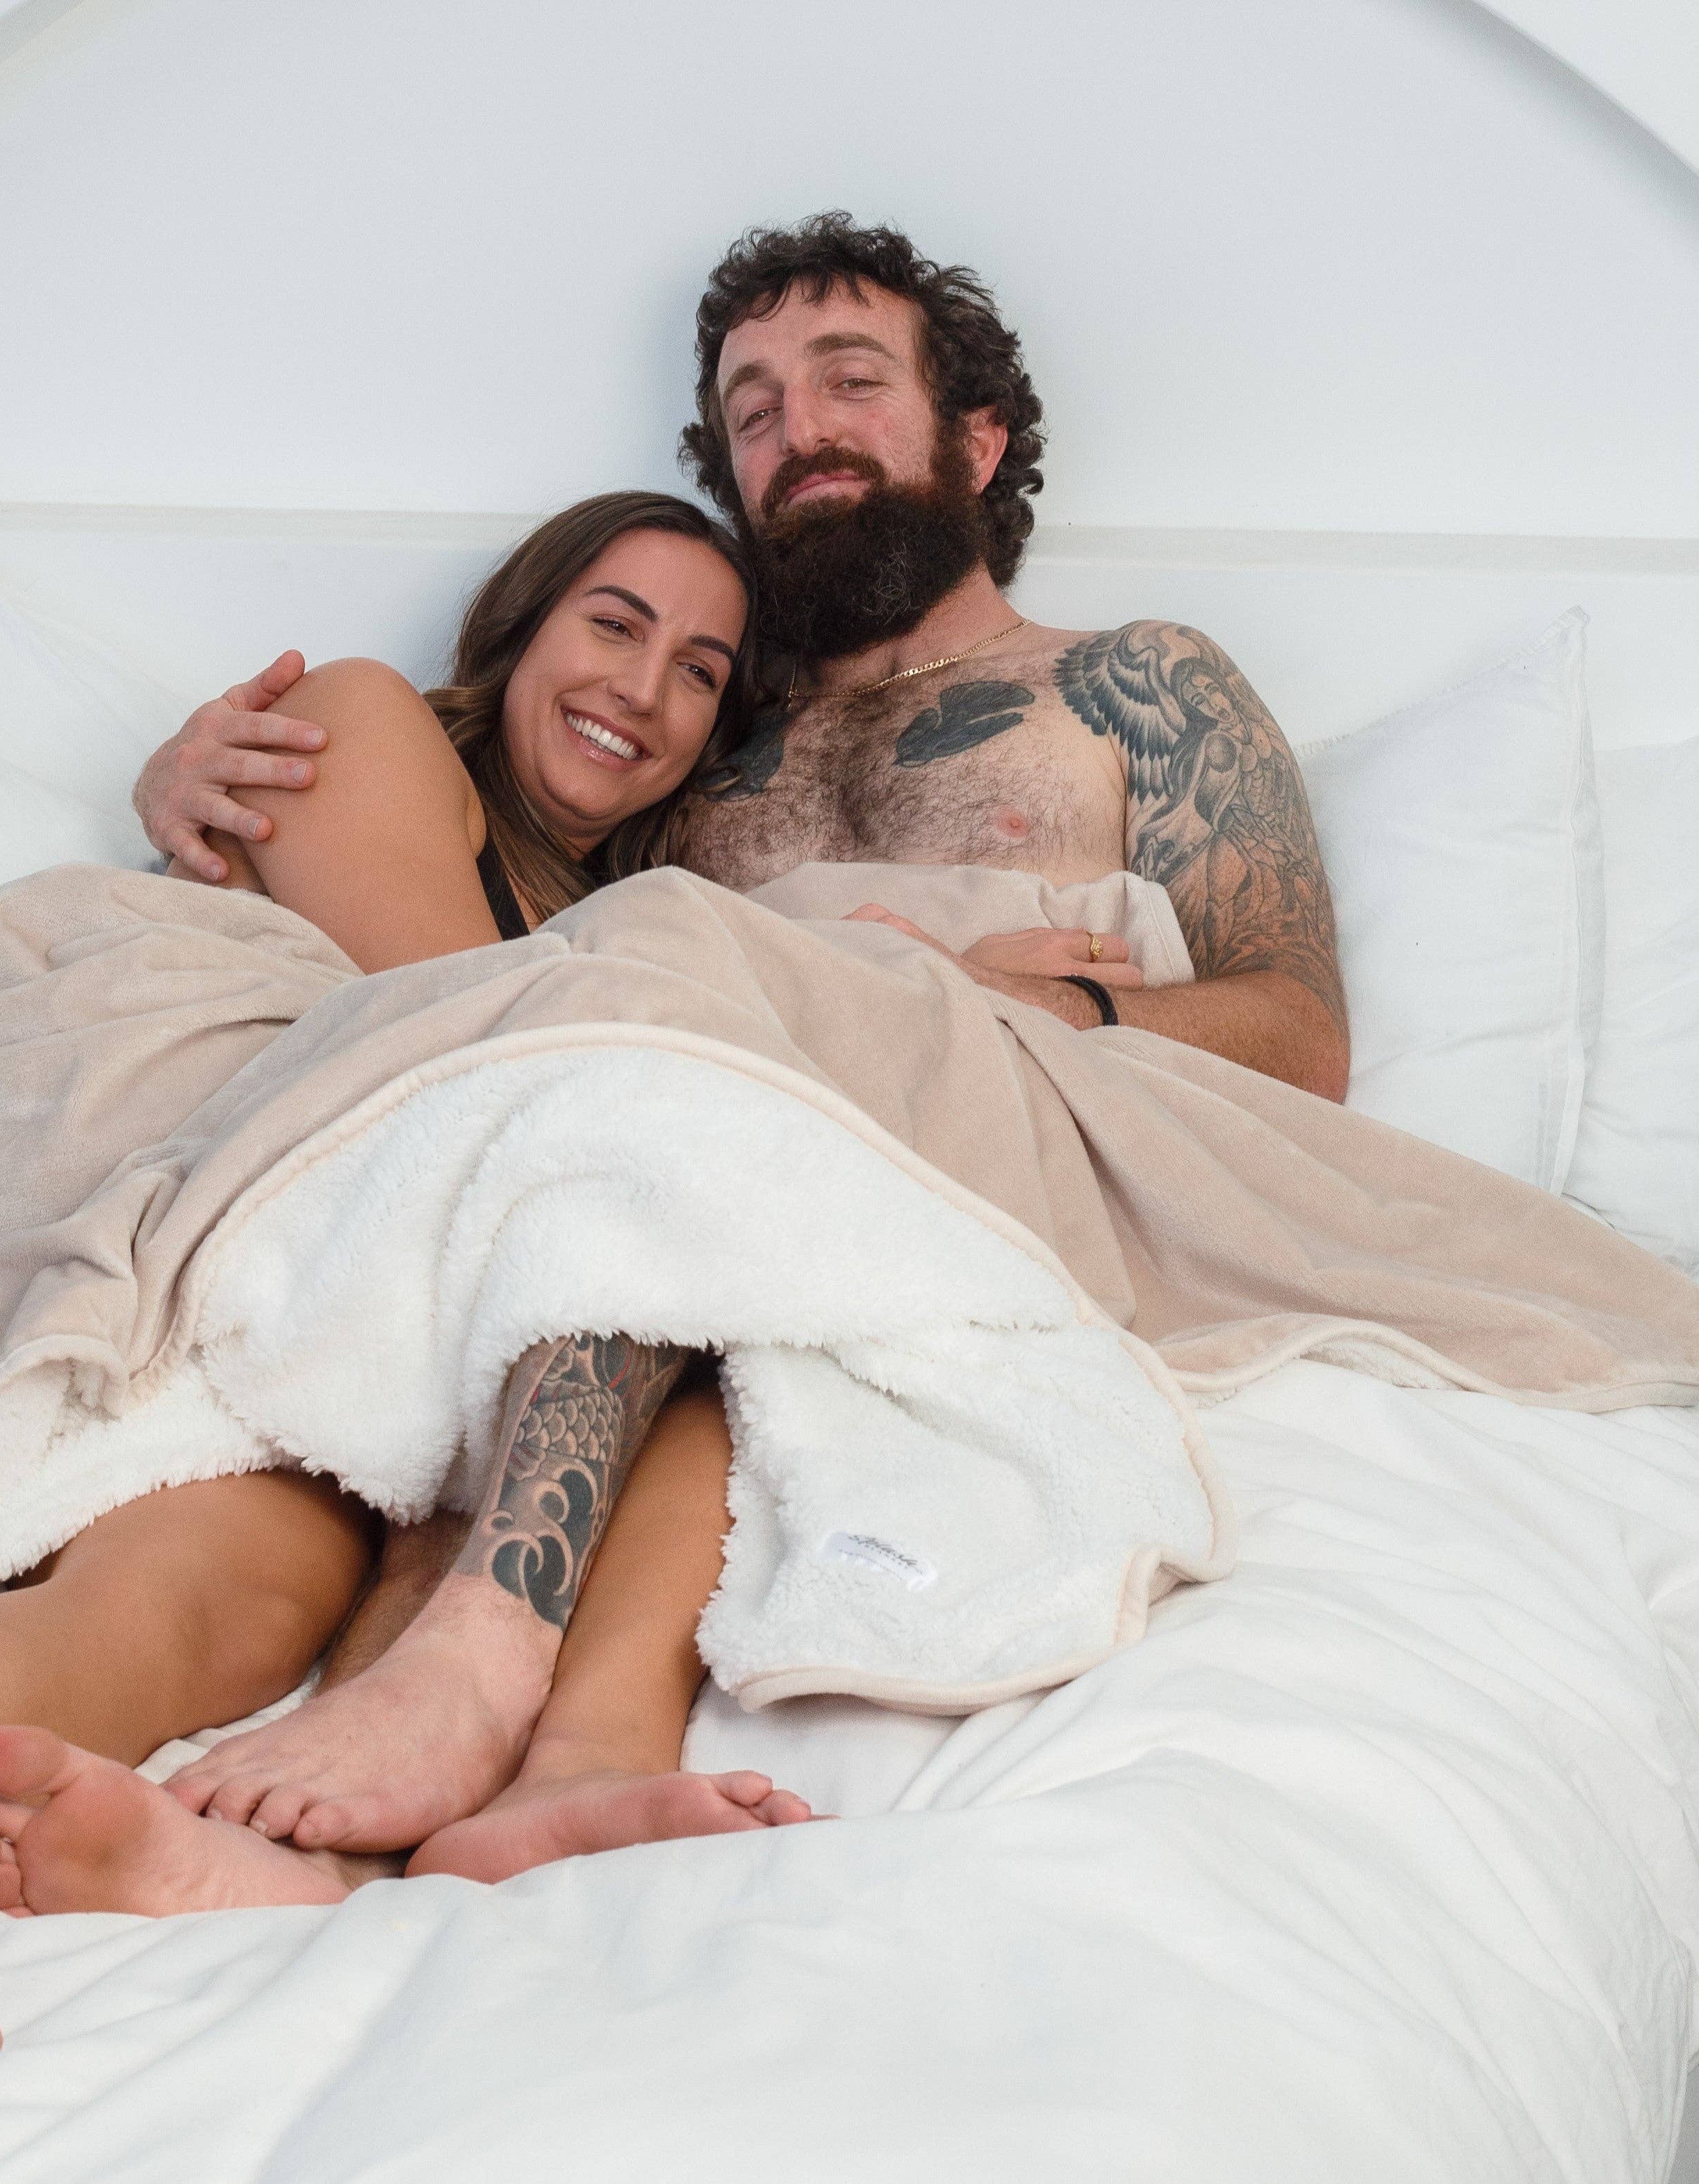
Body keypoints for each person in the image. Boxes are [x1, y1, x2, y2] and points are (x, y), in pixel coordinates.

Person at [110, 212, 1351, 1885]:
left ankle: (494, 1702)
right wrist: (197, 790)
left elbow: (1299, 1036)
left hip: (986, 1160)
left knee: (664, 1156)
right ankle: (367, 1804)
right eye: (752, 410)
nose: (797, 432)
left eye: (849, 381)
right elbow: (481, 963)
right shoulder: (685, 748)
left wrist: (988, 1003)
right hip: (697, 1188)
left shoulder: (1137, 684)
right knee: (568, 1218)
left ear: (978, 441)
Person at [0, 491, 812, 2096]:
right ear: (519, 631)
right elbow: (467, 1042)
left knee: (224, 1598)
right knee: (646, 1196)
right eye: (614, 625)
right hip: (142, 1136)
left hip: (295, 1309)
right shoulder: (357, 721)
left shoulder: (609, 939)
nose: (644, 686)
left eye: (700, 671)